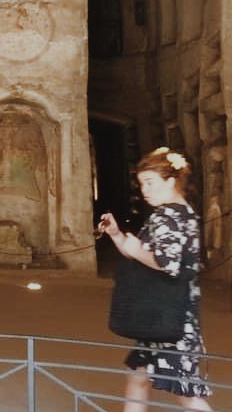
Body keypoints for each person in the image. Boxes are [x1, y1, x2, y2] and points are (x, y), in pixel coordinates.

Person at [98, 146, 213, 411]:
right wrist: (117, 236)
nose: (145, 190)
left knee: (186, 392)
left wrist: (135, 249)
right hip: (174, 311)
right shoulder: (184, 213)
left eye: (150, 182)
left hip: (168, 315)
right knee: (139, 377)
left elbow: (166, 262)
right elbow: (152, 255)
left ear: (171, 181)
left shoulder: (167, 215)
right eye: (141, 184)